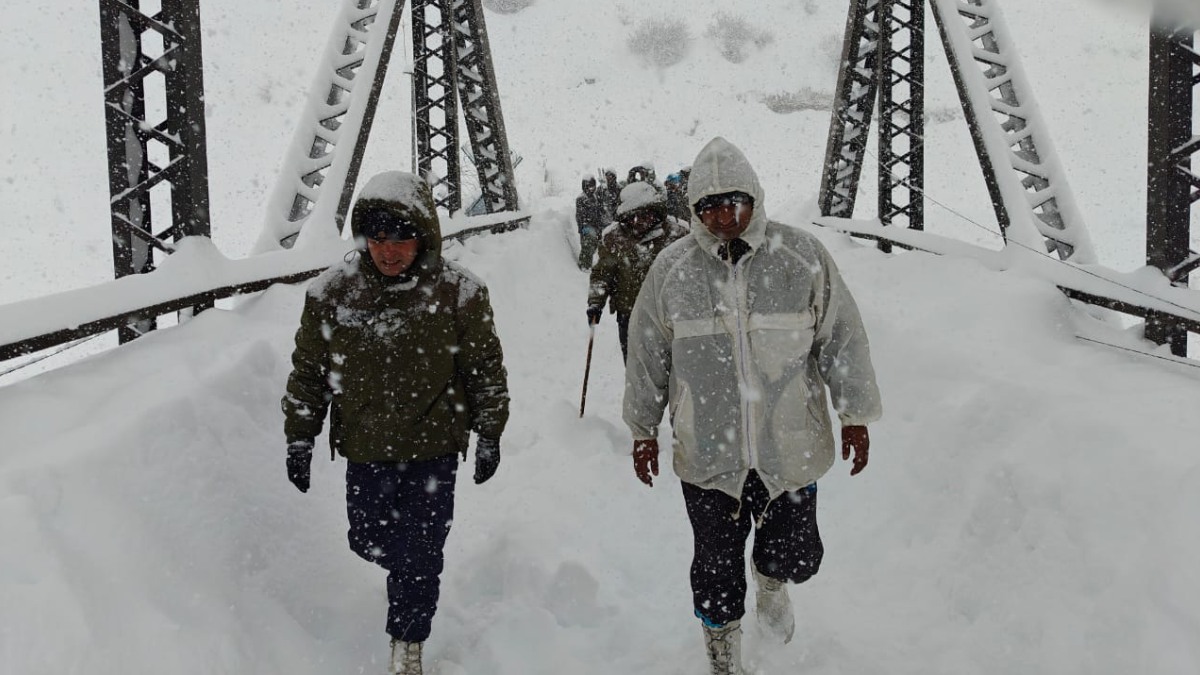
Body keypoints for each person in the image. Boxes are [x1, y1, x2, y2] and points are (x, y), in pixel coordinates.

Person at [622, 137, 882, 674]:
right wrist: (642, 428)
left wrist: (854, 414)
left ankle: (772, 582)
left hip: (789, 443)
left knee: (795, 555)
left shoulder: (801, 255)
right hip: (707, 450)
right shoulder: (673, 271)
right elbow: (645, 354)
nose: (723, 216)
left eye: (733, 202)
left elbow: (842, 337)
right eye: (709, 206)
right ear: (693, 210)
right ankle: (723, 655)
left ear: (755, 199)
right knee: (715, 571)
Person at [281, 171, 509, 675]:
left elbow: (484, 368)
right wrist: (300, 437)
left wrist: (490, 431)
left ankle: (408, 644)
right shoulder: (332, 294)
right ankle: (410, 576)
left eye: (401, 238)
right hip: (366, 447)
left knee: (423, 550)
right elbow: (309, 371)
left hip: (434, 446)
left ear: (423, 235)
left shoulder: (459, 294)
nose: (389, 251)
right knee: (367, 539)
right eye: (378, 239)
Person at [586, 181, 688, 363]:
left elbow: (692, 273)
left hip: (670, 316)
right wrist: (596, 302)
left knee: (675, 367)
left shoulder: (677, 235)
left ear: (655, 212)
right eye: (631, 216)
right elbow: (602, 274)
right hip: (629, 314)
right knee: (635, 367)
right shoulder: (614, 238)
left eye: (643, 215)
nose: (637, 221)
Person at [575, 175, 605, 269]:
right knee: (588, 244)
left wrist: (599, 227)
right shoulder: (581, 198)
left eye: (593, 186)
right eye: (589, 186)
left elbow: (599, 212)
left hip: (596, 226)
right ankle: (584, 265)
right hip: (586, 226)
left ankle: (588, 264)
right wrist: (583, 228)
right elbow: (580, 216)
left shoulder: (595, 197)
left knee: (595, 246)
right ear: (584, 186)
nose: (592, 189)